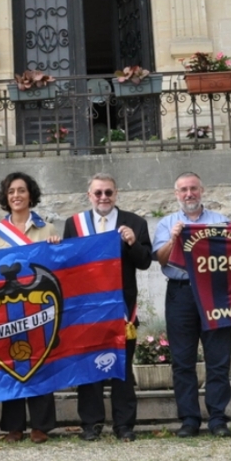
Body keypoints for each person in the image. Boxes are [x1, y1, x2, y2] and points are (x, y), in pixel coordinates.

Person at [63, 173, 152, 443]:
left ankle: (124, 425)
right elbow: (67, 264)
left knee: (122, 370)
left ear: (116, 194)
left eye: (108, 192)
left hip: (121, 310)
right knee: (89, 368)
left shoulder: (135, 223)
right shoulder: (74, 224)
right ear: (89, 195)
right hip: (87, 309)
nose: (104, 197)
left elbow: (145, 262)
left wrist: (132, 243)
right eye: (98, 193)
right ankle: (91, 424)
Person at [152, 172, 231, 438]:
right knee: (182, 360)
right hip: (181, 293)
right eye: (184, 190)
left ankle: (218, 419)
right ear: (176, 194)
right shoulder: (167, 223)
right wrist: (173, 240)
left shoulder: (220, 221)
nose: (189, 194)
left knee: (218, 358)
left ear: (202, 190)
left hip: (215, 292)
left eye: (193, 188)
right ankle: (189, 419)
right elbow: (161, 260)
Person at [0, 172, 61, 444]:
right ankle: (13, 426)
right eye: (11, 191)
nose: (16, 195)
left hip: (37, 305)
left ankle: (41, 426)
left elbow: (56, 267)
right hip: (7, 307)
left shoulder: (47, 229)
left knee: (40, 361)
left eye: (21, 190)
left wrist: (56, 247)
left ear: (30, 195)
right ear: (6, 197)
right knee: (10, 362)